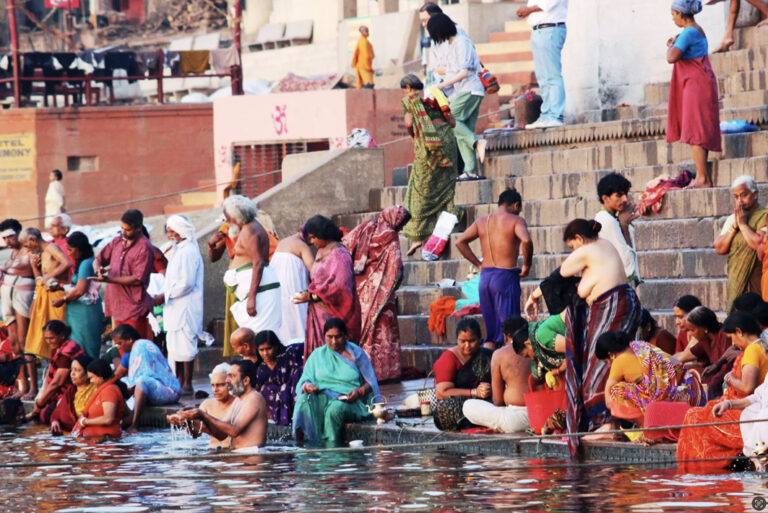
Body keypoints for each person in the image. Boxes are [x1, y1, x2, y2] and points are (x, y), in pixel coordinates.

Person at [523, 219, 642, 458]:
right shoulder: (603, 246)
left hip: (612, 305)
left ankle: (608, 425)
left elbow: (560, 274)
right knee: (611, 364)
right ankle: (612, 423)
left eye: (572, 246)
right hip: (619, 303)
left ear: (578, 238)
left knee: (599, 366)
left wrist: (533, 296)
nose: (573, 252)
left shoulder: (588, 250)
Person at [677, 311, 768, 468]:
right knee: (700, 412)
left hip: (747, 414)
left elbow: (748, 388)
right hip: (746, 407)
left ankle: (702, 471)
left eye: (732, 336)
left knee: (694, 417)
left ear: (739, 331)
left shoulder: (753, 349)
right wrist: (729, 403)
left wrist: (730, 379)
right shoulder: (757, 347)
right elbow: (759, 394)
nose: (732, 342)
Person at [455, 188, 533, 348]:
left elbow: (460, 242)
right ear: (516, 205)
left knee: (492, 335)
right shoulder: (516, 221)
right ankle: (508, 368)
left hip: (485, 279)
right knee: (511, 331)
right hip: (505, 278)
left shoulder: (483, 221)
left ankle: (489, 368)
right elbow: (526, 241)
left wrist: (479, 264)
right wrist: (526, 265)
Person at [342, 206, 410, 381]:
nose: (400, 229)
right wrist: (390, 287)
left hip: (360, 290)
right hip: (383, 295)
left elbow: (345, 246)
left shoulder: (365, 227)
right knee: (383, 333)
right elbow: (397, 269)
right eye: (401, 225)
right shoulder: (391, 237)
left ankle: (360, 371)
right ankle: (383, 373)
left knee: (363, 330)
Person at [293, 318, 380, 444]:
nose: (334, 341)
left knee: (334, 410)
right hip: (322, 397)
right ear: (324, 336)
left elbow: (370, 383)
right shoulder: (317, 355)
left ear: (345, 336)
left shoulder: (356, 354)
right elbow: (304, 380)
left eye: (338, 337)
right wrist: (308, 387)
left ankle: (332, 450)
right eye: (329, 337)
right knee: (303, 401)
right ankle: (302, 446)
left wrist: (359, 392)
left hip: (350, 402)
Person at [595, 331, 705, 431]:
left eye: (606, 361)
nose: (609, 364)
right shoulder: (641, 346)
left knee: (616, 391)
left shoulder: (619, 360)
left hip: (670, 402)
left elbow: (609, 396)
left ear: (611, 354)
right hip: (693, 393)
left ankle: (647, 429)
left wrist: (609, 418)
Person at [399, 74, 458, 256]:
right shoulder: (435, 93)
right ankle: (449, 219)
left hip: (429, 146)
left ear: (408, 88)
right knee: (445, 184)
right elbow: (452, 121)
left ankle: (418, 238)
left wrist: (414, 134)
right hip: (448, 141)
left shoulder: (410, 100)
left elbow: (409, 122)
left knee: (419, 188)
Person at [666, 0, 721, 189]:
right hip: (700, 82)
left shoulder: (688, 32)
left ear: (682, 14)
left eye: (674, 14)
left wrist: (670, 46)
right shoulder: (697, 29)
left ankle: (703, 178)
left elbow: (671, 57)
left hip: (695, 85)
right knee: (698, 129)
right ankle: (701, 175)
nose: (673, 18)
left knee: (694, 131)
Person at [426, 13, 485, 180]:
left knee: (450, 121)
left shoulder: (461, 42)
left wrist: (442, 85)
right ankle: (471, 170)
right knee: (461, 132)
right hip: (461, 91)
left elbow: (465, 71)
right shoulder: (452, 44)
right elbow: (453, 71)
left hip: (470, 89)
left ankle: (477, 142)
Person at [294, 216, 361, 361]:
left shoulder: (340, 254)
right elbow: (319, 281)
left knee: (336, 352)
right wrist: (308, 293)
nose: (312, 242)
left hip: (335, 313)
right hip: (319, 313)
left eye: (313, 238)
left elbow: (340, 287)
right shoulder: (321, 251)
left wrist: (312, 296)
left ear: (323, 233)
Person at [154, 215, 204, 395]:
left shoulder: (189, 251)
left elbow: (186, 283)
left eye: (172, 230)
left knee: (186, 344)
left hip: (186, 305)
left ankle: (187, 384)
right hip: (174, 306)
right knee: (174, 345)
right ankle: (180, 381)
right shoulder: (177, 249)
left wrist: (164, 296)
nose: (169, 234)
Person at [221, 195, 282, 336]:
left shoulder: (250, 230)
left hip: (259, 292)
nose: (226, 220)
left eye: (228, 216)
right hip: (255, 290)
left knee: (262, 338)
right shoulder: (248, 228)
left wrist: (252, 298)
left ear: (237, 215)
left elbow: (258, 262)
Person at [22, 227, 71, 396]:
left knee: (55, 338)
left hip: (55, 297)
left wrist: (49, 277)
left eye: (27, 246)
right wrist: (35, 265)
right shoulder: (41, 252)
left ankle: (58, 383)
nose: (27, 250)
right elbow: (39, 278)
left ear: (34, 241)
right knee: (39, 338)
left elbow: (67, 263)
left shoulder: (51, 248)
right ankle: (47, 381)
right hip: (43, 297)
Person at [92, 209, 154, 340]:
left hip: (134, 307)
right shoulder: (117, 241)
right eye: (122, 228)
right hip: (116, 304)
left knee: (135, 347)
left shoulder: (145, 247)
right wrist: (98, 268)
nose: (123, 232)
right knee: (121, 348)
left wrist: (110, 279)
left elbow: (138, 279)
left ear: (138, 228)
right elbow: (98, 259)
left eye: (128, 229)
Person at [179, 359, 268, 452]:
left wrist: (204, 415)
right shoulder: (238, 399)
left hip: (253, 456)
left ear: (245, 380)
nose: (227, 380)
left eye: (232, 376)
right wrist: (187, 421)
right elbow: (221, 434)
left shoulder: (254, 398)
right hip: (239, 455)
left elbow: (234, 431)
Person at [462, 319, 531, 433]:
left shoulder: (500, 354)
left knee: (468, 406)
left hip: (515, 420)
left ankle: (499, 425)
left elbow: (498, 401)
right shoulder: (538, 347)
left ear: (505, 337)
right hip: (543, 415)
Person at [111, 324, 182, 429]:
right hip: (155, 386)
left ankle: (135, 423)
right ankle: (126, 416)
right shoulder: (131, 350)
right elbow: (120, 375)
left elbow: (145, 374)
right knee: (123, 382)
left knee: (141, 382)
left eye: (120, 343)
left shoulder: (141, 346)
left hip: (169, 390)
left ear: (130, 340)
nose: (119, 347)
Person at [714, 176, 766, 312]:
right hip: (736, 280)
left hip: (756, 279)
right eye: (736, 197)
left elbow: (759, 244)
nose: (740, 201)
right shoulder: (733, 218)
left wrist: (742, 225)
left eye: (744, 195)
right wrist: (733, 228)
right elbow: (719, 248)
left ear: (755, 194)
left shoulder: (764, 216)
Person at [432, 318, 492, 431]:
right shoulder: (448, 358)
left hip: (485, 402)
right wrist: (474, 393)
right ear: (457, 340)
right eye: (462, 341)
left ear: (480, 339)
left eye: (472, 341)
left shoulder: (488, 355)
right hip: (458, 406)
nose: (467, 346)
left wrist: (488, 389)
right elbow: (442, 392)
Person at [52, 231, 104, 359]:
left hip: (84, 313)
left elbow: (80, 289)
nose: (68, 253)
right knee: (76, 346)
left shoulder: (86, 263)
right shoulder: (83, 262)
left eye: (70, 250)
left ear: (79, 249)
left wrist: (63, 299)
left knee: (85, 348)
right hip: (77, 312)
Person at [517, 0, 568, 129]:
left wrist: (528, 10)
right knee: (543, 78)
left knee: (552, 75)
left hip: (550, 28)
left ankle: (555, 116)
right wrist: (527, 13)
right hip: (538, 30)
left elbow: (548, 4)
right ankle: (546, 115)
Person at [0, 219, 35, 396]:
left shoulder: (29, 250)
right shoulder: (12, 254)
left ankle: (33, 387)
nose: (7, 241)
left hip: (22, 297)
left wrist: (8, 271)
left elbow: (35, 272)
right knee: (14, 344)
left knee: (24, 342)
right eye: (4, 238)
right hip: (9, 297)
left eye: (10, 237)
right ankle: (23, 387)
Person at [168, 363, 238, 449]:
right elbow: (196, 434)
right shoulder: (207, 404)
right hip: (213, 454)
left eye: (220, 385)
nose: (215, 390)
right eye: (213, 385)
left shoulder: (239, 403)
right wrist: (186, 422)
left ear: (230, 383)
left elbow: (227, 433)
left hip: (233, 452)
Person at [27, 321, 85, 424]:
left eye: (51, 338)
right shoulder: (59, 347)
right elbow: (50, 378)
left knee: (46, 415)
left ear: (62, 336)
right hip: (59, 393)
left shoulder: (65, 354)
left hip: (72, 393)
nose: (49, 342)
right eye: (46, 339)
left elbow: (57, 383)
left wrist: (40, 404)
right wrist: (42, 398)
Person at [674, 305, 732, 398]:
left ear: (705, 329)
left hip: (724, 383)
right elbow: (681, 357)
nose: (691, 334)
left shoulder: (724, 336)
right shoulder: (705, 340)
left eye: (692, 330)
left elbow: (726, 370)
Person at [594, 173, 641, 286]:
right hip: (614, 285)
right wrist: (624, 226)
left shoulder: (612, 218)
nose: (625, 199)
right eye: (619, 195)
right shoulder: (606, 220)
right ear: (605, 198)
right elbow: (626, 259)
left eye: (625, 194)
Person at [271, 225, 313, 345]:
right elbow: (314, 270)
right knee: (298, 322)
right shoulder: (302, 246)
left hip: (279, 293)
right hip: (295, 291)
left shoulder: (283, 242)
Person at [253, 330, 303, 426]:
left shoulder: (290, 353)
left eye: (268, 348)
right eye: (261, 350)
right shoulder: (260, 368)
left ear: (276, 346)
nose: (265, 353)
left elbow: (310, 345)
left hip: (293, 390)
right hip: (275, 399)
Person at [208, 220, 239, 358]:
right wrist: (211, 244)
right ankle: (239, 355)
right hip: (236, 273)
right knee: (235, 315)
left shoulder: (257, 224)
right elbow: (214, 257)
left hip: (254, 270)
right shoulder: (227, 227)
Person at [508, 314, 566, 388]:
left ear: (528, 343)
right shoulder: (537, 347)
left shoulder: (541, 335)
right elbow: (536, 373)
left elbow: (573, 348)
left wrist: (559, 370)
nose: (531, 358)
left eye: (527, 355)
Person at [74, 359, 125, 438]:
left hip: (107, 443)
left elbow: (108, 419)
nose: (90, 381)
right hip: (96, 442)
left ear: (100, 376)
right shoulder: (102, 391)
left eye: (91, 378)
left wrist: (84, 422)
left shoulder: (109, 391)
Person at [49, 353, 96, 435]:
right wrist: (55, 421)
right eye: (72, 370)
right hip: (72, 434)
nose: (72, 374)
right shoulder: (71, 390)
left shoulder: (96, 390)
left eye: (77, 370)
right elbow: (58, 412)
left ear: (87, 374)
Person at [47, 214, 75, 279]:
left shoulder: (69, 247)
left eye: (54, 226)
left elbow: (71, 269)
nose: (50, 228)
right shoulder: (48, 243)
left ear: (65, 230)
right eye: (50, 225)